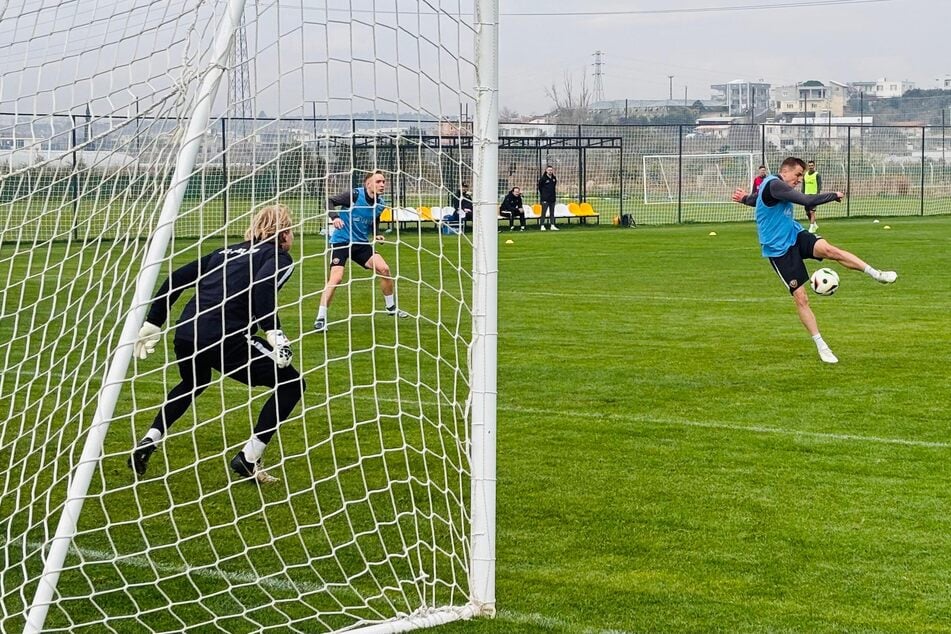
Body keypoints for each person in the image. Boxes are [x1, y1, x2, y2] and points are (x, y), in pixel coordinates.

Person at [129, 204, 304, 483]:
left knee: (192, 383)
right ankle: (248, 459)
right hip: (225, 337)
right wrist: (274, 332)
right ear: (285, 233)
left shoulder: (224, 252)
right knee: (292, 384)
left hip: (186, 332)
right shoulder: (279, 257)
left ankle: (150, 439)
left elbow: (175, 279)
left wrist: (154, 322)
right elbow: (262, 287)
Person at [732, 156, 897, 364]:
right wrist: (834, 195)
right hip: (778, 250)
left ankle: (877, 274)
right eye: (798, 175)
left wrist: (745, 198)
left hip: (794, 235)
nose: (799, 179)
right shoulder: (775, 184)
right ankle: (822, 345)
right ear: (785, 171)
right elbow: (808, 201)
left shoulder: (773, 185)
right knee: (801, 297)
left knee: (830, 250)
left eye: (801, 176)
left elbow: (757, 200)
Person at [313, 170, 409, 333]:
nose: (382, 184)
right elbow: (328, 201)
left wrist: (377, 233)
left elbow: (374, 218)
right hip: (341, 241)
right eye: (378, 181)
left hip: (361, 244)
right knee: (336, 278)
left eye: (384, 182)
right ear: (368, 184)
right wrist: (335, 217)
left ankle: (391, 307)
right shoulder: (355, 195)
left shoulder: (380, 203)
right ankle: (320, 318)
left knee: (384, 269)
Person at [802, 160, 822, 233]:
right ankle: (814, 224)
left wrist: (817, 194)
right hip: (806, 196)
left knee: (812, 212)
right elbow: (803, 185)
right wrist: (802, 194)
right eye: (809, 165)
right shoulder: (805, 175)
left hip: (814, 196)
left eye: (812, 165)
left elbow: (819, 185)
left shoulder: (817, 175)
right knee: (807, 212)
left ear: (814, 166)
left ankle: (811, 228)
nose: (810, 167)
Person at [537, 165, 558, 231]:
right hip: (545, 199)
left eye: (551, 170)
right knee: (543, 213)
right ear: (546, 170)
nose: (550, 171)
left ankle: (552, 225)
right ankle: (542, 225)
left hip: (552, 198)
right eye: (549, 170)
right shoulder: (543, 178)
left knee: (552, 212)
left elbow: (554, 186)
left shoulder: (554, 178)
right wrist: (544, 195)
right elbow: (540, 187)